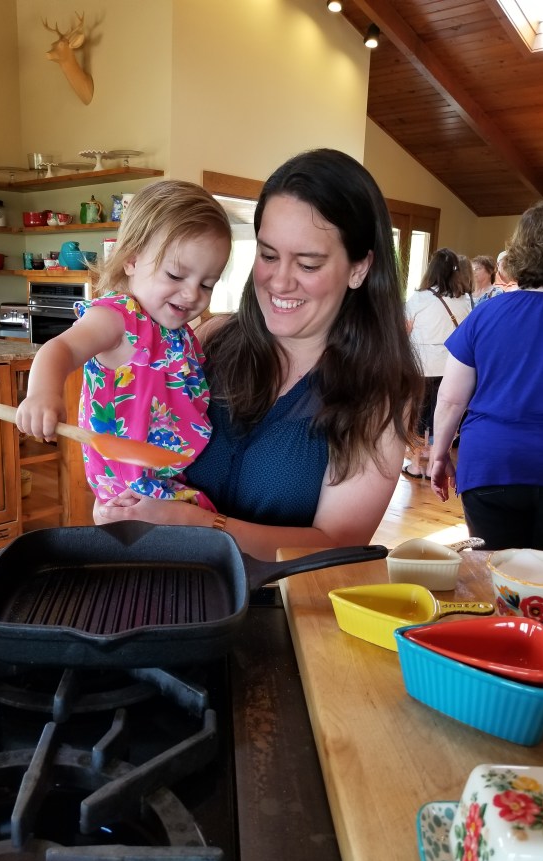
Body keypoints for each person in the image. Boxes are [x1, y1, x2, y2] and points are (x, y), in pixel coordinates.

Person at [95, 148, 423, 560]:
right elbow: (136, 445)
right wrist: (118, 504)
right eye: (268, 255)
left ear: (359, 268)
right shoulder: (209, 341)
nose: (279, 282)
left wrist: (198, 523)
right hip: (171, 582)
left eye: (308, 264)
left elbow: (338, 544)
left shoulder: (377, 396)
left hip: (278, 598)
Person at [15, 179, 232, 509]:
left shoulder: (177, 331)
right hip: (131, 487)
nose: (192, 294)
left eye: (207, 284)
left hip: (170, 475)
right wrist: (42, 394)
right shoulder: (118, 318)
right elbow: (62, 348)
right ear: (131, 260)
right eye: (175, 276)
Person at [430, 200, 543, 549]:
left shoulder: (485, 314)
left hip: (490, 465)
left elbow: (451, 399)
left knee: (494, 573)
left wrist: (439, 455)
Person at [402, 248, 472, 478]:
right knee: (443, 416)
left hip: (421, 365)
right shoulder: (464, 299)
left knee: (417, 416)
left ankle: (416, 465)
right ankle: (435, 465)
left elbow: (404, 330)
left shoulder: (420, 298)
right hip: (453, 367)